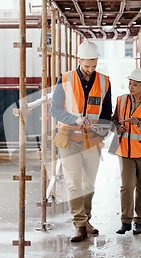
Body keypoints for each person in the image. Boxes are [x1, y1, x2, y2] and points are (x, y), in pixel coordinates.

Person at [51, 41, 112, 242]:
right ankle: (79, 224)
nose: (90, 70)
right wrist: (74, 119)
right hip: (70, 139)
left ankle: (86, 220)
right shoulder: (65, 79)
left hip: (92, 140)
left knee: (89, 184)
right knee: (74, 183)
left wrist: (102, 133)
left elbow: (105, 113)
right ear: (79, 61)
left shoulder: (104, 82)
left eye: (94, 66)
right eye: (87, 66)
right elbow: (55, 110)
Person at [111, 68, 141, 235]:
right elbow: (114, 119)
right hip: (125, 150)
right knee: (127, 187)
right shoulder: (121, 100)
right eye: (130, 83)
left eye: (135, 84)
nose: (131, 87)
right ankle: (125, 221)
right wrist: (118, 126)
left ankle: (139, 221)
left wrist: (138, 123)